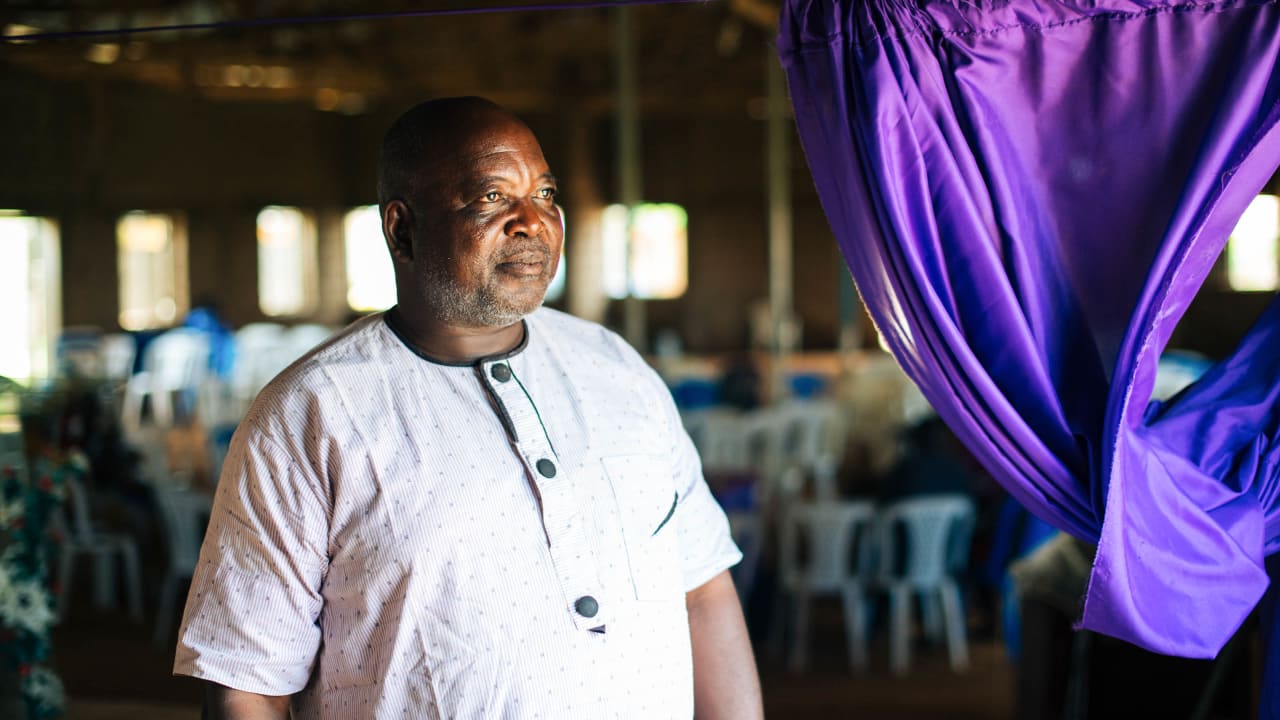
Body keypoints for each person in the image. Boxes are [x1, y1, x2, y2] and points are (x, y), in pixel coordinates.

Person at [172, 96, 762, 720]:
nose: (533, 222)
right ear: (402, 228)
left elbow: (703, 591)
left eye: (546, 194)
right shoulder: (309, 415)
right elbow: (246, 685)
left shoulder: (615, 369)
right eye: (491, 198)